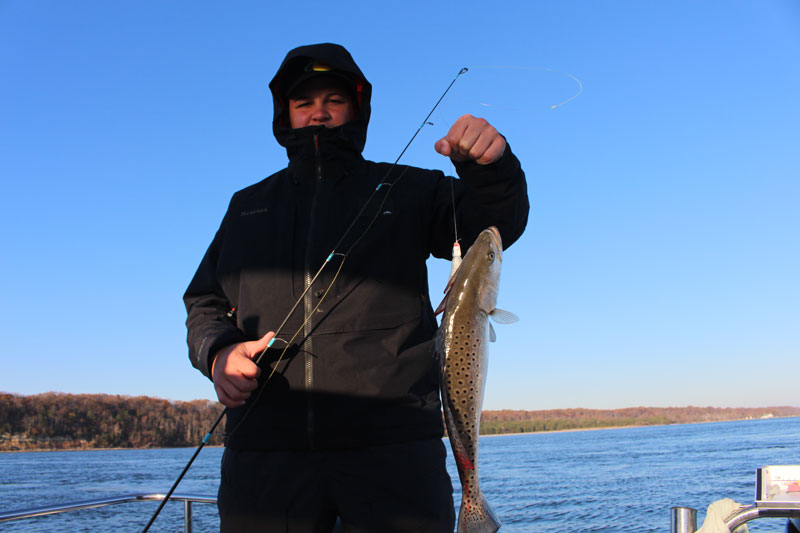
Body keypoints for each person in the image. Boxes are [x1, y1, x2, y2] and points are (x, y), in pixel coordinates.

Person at [184, 42, 529, 532]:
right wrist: (217, 352)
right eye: (304, 102)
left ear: (357, 108)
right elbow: (204, 301)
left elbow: (494, 227)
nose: (319, 113)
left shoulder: (412, 190)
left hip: (395, 455)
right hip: (265, 457)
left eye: (334, 100)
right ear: (285, 114)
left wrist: (490, 168)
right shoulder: (247, 206)